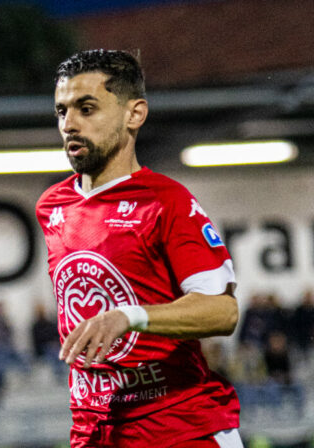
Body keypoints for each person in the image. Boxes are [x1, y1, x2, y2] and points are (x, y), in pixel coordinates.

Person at [36, 49, 241, 447]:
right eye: (62, 111)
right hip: (95, 434)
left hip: (179, 430)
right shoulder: (52, 207)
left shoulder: (166, 201)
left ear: (135, 114)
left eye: (87, 108)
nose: (69, 124)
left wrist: (128, 317)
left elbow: (223, 310)